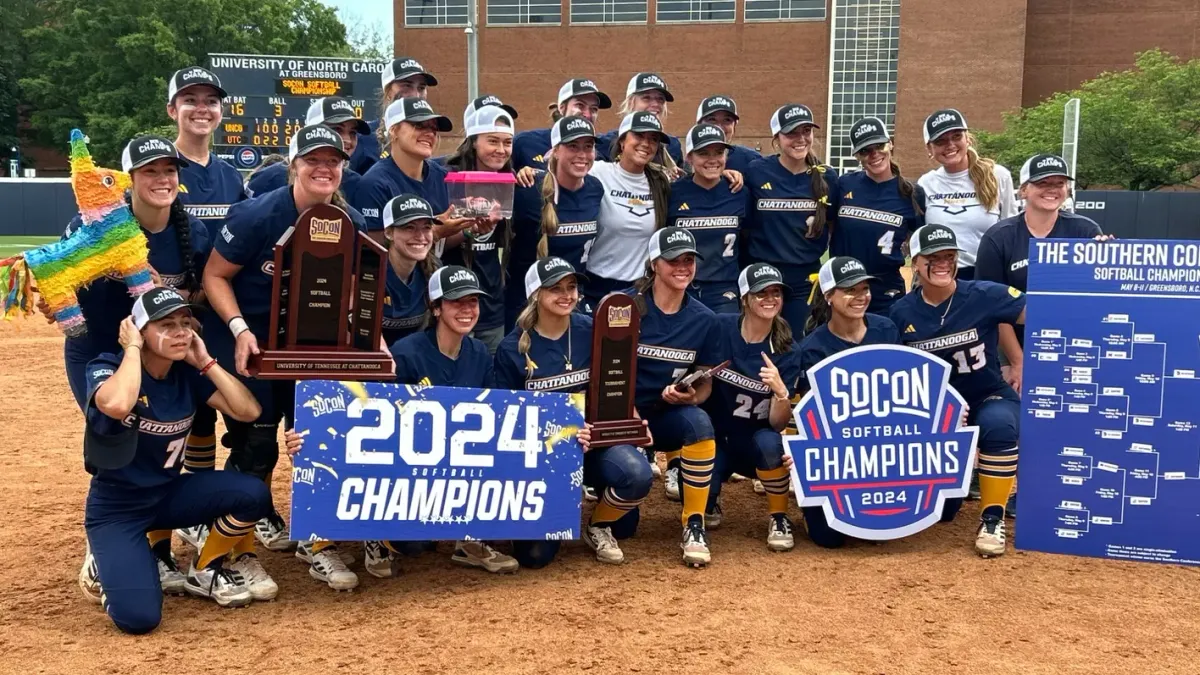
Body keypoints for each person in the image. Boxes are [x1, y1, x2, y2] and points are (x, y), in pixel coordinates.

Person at [202, 124, 367, 590]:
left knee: (316, 441)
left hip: (309, 348)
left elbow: (352, 286)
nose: (324, 168)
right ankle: (232, 551)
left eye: (332, 161)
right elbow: (216, 276)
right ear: (293, 165)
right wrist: (238, 329)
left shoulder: (348, 221)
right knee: (256, 449)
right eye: (313, 160)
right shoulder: (258, 213)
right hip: (252, 345)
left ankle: (316, 542)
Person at [54, 136, 210, 594]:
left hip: (161, 350)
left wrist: (175, 296)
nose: (162, 180)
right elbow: (58, 284)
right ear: (129, 180)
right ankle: (101, 548)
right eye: (149, 172)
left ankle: (157, 540)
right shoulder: (93, 226)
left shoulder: (191, 232)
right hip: (102, 351)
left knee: (165, 434)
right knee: (115, 438)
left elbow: (201, 293)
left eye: (169, 171)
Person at [79, 287, 273, 633]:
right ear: (139, 330)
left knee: (253, 494)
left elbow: (248, 411)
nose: (181, 332)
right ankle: (104, 564)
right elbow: (118, 405)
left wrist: (207, 362)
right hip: (117, 509)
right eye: (166, 325)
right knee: (139, 620)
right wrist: (133, 349)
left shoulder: (185, 373)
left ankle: (204, 568)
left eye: (185, 323)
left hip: (167, 494)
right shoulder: (107, 366)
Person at [494, 257, 653, 566]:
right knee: (535, 558)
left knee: (636, 478)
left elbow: (614, 385)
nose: (567, 295)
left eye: (572, 287)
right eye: (556, 289)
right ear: (535, 295)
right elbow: (506, 419)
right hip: (541, 455)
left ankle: (598, 525)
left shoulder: (592, 330)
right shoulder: (511, 348)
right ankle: (552, 507)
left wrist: (631, 423)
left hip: (592, 444)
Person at [890, 225, 1026, 558]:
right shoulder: (900, 313)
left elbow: (1048, 316)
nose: (942, 264)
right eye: (932, 258)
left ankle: (992, 518)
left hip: (984, 394)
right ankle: (956, 479)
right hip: (934, 413)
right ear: (915, 262)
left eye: (948, 257)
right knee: (943, 512)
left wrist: (1022, 362)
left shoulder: (984, 294)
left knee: (999, 424)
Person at [373, 266, 518, 576]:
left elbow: (495, 417)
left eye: (473, 302)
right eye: (456, 302)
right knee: (414, 544)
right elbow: (380, 419)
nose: (467, 309)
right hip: (408, 466)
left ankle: (469, 541)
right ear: (436, 308)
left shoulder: (479, 352)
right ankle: (375, 536)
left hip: (458, 463)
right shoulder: (407, 352)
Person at [794, 256, 939, 548]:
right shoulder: (813, 348)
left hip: (885, 446)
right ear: (829, 296)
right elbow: (816, 418)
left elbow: (909, 392)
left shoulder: (885, 330)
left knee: (945, 509)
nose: (861, 297)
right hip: (841, 452)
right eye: (850, 290)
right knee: (828, 538)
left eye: (864, 289)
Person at [164, 67, 246, 527]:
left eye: (211, 101)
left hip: (217, 313)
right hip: (171, 315)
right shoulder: (160, 169)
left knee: (215, 408)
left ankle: (202, 512)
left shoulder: (231, 176)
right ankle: (170, 513)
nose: (202, 108)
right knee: (179, 416)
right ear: (172, 110)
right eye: (190, 100)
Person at [628, 228, 721, 566]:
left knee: (699, 423)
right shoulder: (627, 308)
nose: (682, 266)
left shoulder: (704, 319)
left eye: (689, 260)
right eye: (673, 260)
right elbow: (605, 376)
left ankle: (693, 524)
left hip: (666, 414)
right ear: (654, 264)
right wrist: (629, 417)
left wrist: (691, 395)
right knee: (625, 527)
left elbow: (707, 382)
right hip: (625, 416)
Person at [704, 263, 803, 550]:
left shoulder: (786, 349)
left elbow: (776, 424)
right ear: (744, 299)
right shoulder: (720, 328)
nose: (770, 299)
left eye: (776, 293)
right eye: (761, 293)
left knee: (772, 442)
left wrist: (781, 392)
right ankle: (711, 500)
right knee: (695, 489)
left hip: (755, 443)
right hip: (717, 438)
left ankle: (779, 517)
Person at [744, 104, 839, 331]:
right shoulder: (756, 171)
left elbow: (833, 224)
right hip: (763, 276)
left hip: (804, 279)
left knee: (798, 344)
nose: (800, 138)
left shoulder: (828, 177)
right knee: (759, 341)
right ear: (777, 138)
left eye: (806, 131)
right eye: (791, 133)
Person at [508, 115, 604, 329]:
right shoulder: (528, 190)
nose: (582, 154)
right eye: (572, 146)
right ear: (555, 150)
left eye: (588, 147)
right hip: (527, 305)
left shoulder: (595, 188)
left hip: (572, 301)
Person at [353, 97, 482, 248]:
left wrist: (468, 229)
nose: (430, 133)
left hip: (437, 271)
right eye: (419, 125)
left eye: (433, 128)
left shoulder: (442, 177)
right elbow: (373, 250)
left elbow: (441, 247)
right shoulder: (374, 184)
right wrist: (435, 232)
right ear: (394, 130)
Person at [831, 117, 925, 314]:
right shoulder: (844, 185)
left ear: (890, 143)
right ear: (857, 155)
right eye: (865, 150)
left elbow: (920, 246)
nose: (874, 154)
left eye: (879, 145)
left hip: (886, 287)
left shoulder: (912, 193)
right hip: (844, 284)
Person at [442, 104, 516, 353]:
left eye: (507, 142)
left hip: (491, 304)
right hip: (451, 300)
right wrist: (469, 230)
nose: (501, 149)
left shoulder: (510, 181)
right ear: (473, 141)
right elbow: (435, 239)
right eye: (493, 141)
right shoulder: (448, 177)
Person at [582, 111, 673, 307]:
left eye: (653, 139)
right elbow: (559, 168)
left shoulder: (661, 182)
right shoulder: (598, 171)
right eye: (639, 136)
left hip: (639, 288)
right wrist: (527, 171)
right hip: (594, 284)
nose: (646, 144)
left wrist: (726, 173)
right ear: (622, 141)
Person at [917, 108, 1016, 280]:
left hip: (988, 276)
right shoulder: (925, 184)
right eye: (940, 141)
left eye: (956, 136)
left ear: (967, 138)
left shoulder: (997, 175)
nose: (950, 145)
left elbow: (1012, 233)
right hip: (941, 278)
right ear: (929, 148)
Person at [666, 124, 750, 313]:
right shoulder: (673, 192)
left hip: (724, 290)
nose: (712, 160)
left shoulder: (739, 192)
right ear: (689, 157)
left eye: (719, 152)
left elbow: (749, 239)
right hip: (682, 286)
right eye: (704, 153)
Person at [245, 96, 371, 204]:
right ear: (311, 131)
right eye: (337, 129)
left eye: (353, 133)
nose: (347, 139)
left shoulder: (357, 184)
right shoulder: (268, 178)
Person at [351, 57, 438, 175]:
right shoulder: (363, 137)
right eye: (407, 85)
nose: (415, 94)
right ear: (387, 91)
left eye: (421, 88)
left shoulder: (427, 137)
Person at [512, 78, 613, 172]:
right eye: (580, 105)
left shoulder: (603, 147)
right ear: (562, 108)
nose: (587, 114)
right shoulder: (526, 142)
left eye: (594, 109)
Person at [380, 194, 440, 346]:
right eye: (409, 227)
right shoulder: (369, 271)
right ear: (389, 233)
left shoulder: (434, 272)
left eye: (427, 227)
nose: (420, 236)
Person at [599, 73, 683, 167]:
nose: (655, 104)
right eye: (646, 98)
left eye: (660, 99)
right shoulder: (604, 143)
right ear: (631, 102)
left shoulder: (672, 145)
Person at [695, 95, 761, 173]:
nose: (719, 127)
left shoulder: (752, 160)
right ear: (699, 125)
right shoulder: (690, 160)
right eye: (712, 120)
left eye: (727, 120)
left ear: (734, 126)